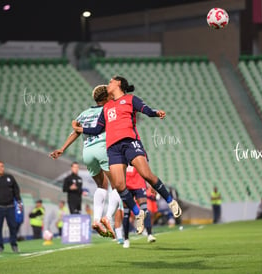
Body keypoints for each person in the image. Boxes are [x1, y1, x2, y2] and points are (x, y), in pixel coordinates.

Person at [72, 76, 182, 234]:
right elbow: (97, 129)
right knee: (119, 186)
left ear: (118, 84)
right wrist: (80, 130)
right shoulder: (107, 107)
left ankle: (171, 201)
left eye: (111, 81)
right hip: (113, 148)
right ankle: (138, 213)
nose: (108, 84)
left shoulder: (130, 99)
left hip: (130, 142)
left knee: (146, 174)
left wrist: (157, 113)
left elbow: (147, 111)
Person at [50, 85, 122, 237]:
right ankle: (107, 218)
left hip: (88, 152)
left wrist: (62, 148)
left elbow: (75, 131)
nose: (112, 97)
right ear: (105, 99)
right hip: (103, 148)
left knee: (101, 185)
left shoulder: (84, 113)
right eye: (110, 96)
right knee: (118, 186)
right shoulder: (108, 109)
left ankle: (96, 220)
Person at [123, 165, 156, 249]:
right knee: (126, 213)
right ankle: (126, 239)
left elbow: (145, 170)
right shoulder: (121, 155)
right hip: (126, 186)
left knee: (145, 210)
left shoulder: (140, 153)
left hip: (139, 185)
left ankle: (149, 235)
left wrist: (151, 184)